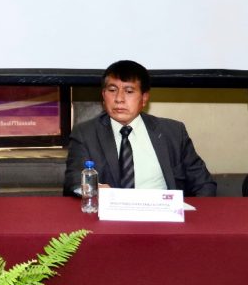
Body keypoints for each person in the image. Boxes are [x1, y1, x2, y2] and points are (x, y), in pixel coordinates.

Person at [64, 60, 216, 197]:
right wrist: (92, 188)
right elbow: (74, 181)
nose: (119, 99)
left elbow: (204, 184)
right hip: (109, 214)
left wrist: (195, 215)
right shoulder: (85, 133)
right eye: (112, 90)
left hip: (163, 213)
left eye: (129, 91)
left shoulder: (173, 132)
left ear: (144, 98)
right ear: (103, 95)